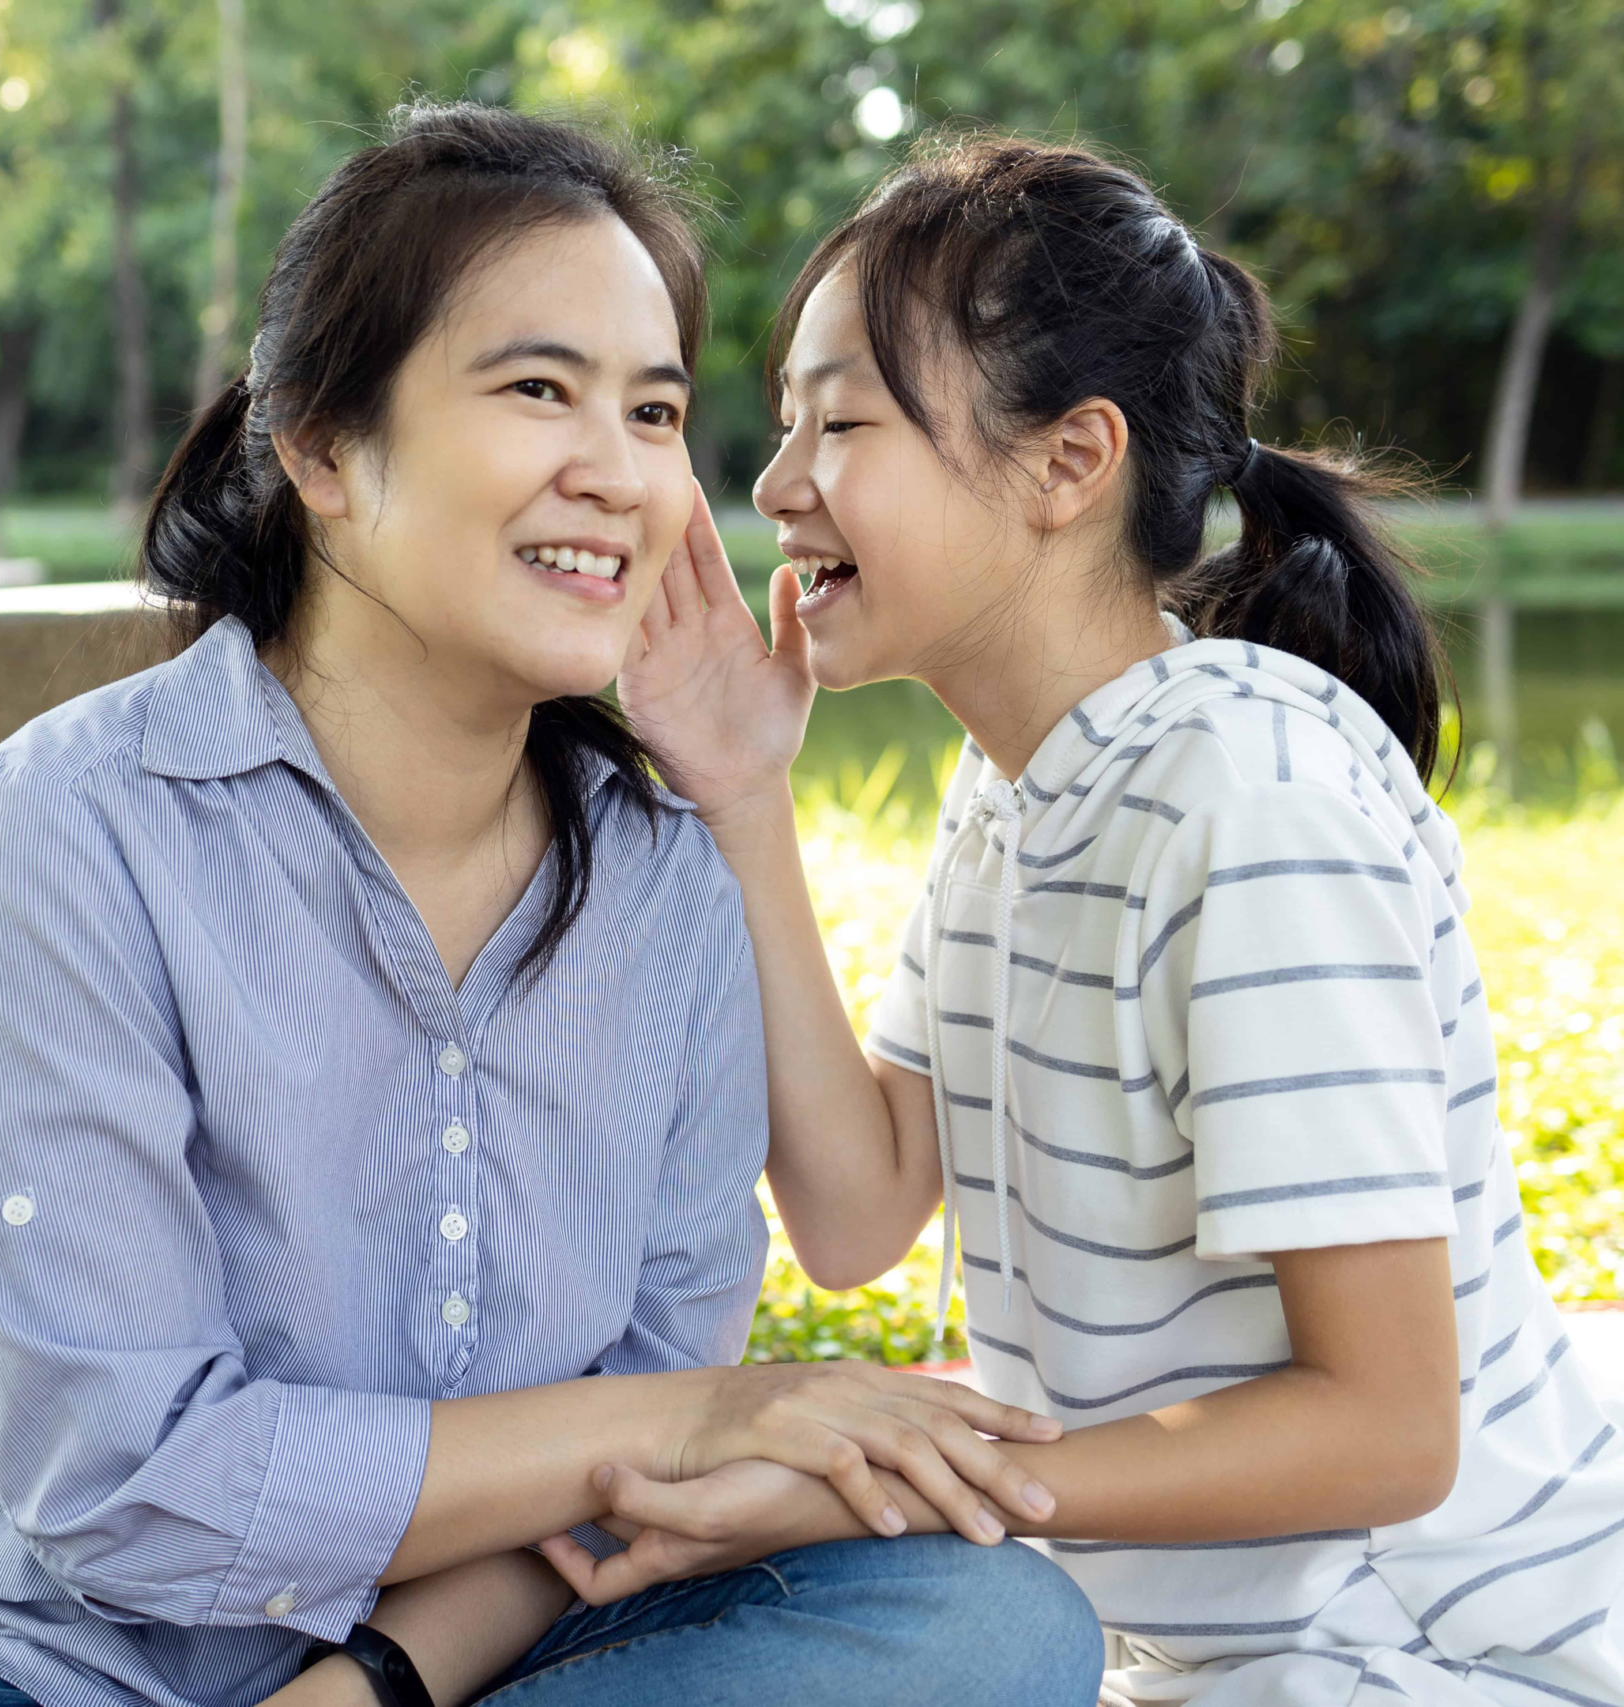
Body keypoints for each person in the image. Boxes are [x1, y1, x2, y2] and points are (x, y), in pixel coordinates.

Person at [0, 107, 1104, 1707]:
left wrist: (375, 1682)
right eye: (541, 388)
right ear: (324, 448)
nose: (616, 472)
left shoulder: (668, 878)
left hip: (493, 1657)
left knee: (989, 1626)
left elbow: (643, 1451)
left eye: (656, 409)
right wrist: (679, 1424)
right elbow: (124, 1483)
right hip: (47, 1661)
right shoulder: (62, 836)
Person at [527, 136, 1624, 1703]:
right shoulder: (1027, 782)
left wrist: (881, 1477)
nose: (776, 490)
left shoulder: (1247, 799)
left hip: (1441, 1651)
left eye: (841, 422)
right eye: (783, 429)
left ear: (1068, 460)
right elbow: (856, 1212)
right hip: (1221, 1653)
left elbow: (1391, 1422)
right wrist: (741, 792)